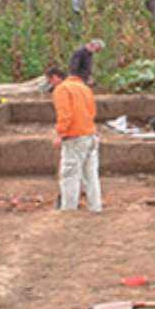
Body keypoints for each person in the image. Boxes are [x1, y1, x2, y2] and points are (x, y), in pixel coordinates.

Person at [47, 66, 101, 212]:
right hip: (90, 135)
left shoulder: (62, 89)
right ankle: (95, 207)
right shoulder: (84, 88)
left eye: (50, 81)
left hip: (75, 137)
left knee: (69, 174)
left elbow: (65, 115)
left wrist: (60, 134)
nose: (51, 85)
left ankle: (68, 210)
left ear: (55, 78)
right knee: (91, 176)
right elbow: (92, 112)